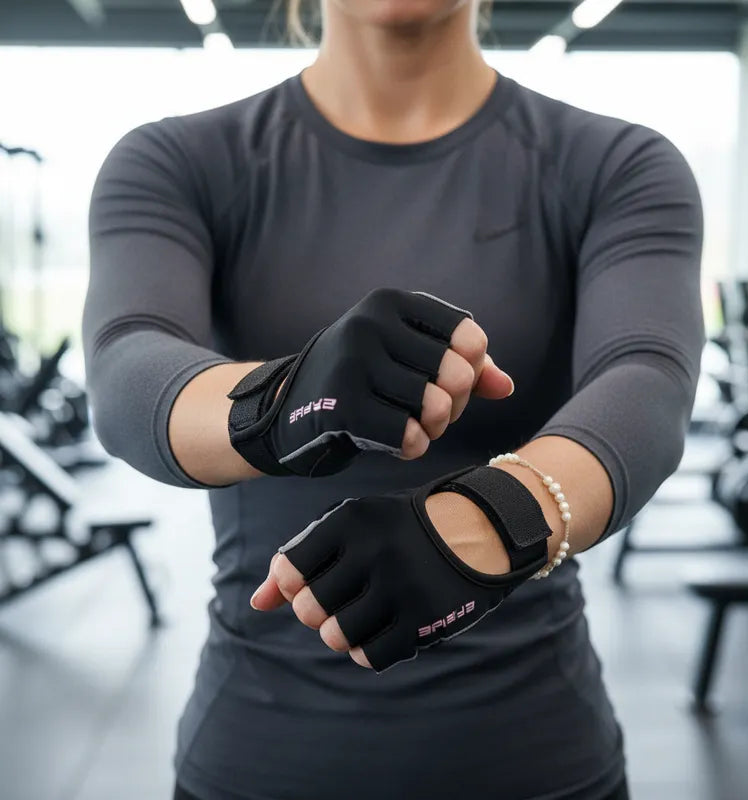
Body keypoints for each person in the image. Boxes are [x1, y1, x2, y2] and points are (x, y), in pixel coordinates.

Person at [82, 0, 704, 797]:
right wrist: (285, 399)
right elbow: (129, 363)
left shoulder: (616, 162)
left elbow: (646, 380)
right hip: (257, 756)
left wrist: (491, 520)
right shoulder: (179, 158)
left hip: (539, 757)